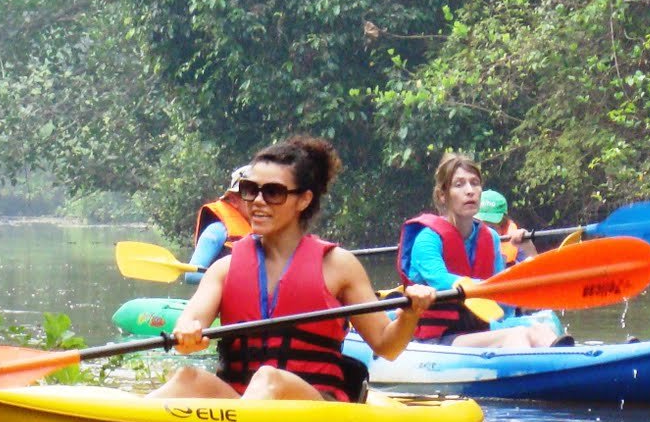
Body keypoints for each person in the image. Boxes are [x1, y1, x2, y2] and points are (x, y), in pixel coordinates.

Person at [149, 136, 434, 402]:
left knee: (270, 378)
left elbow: (387, 346)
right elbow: (187, 328)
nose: (258, 202)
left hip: (313, 405)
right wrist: (187, 334)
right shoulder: (224, 269)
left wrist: (411, 314)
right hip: (242, 403)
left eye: (273, 192)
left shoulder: (338, 265)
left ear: (304, 199)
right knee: (188, 377)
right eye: (250, 190)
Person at [397, 153, 565, 348]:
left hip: (478, 330)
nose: (470, 191)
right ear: (443, 195)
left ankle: (569, 369)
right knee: (515, 337)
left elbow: (502, 306)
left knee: (541, 330)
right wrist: (485, 286)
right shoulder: (427, 240)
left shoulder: (490, 238)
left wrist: (521, 288)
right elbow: (441, 280)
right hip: (437, 340)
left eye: (475, 183)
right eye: (459, 185)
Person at [183, 165, 253, 285]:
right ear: (234, 199)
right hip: (221, 300)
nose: (259, 199)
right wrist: (240, 281)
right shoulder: (217, 230)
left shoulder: (271, 232)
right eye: (251, 193)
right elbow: (191, 275)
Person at [477, 189, 538, 265]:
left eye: (492, 227)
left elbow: (538, 272)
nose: (484, 233)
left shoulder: (517, 245)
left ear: (503, 226)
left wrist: (528, 246)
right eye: (478, 226)